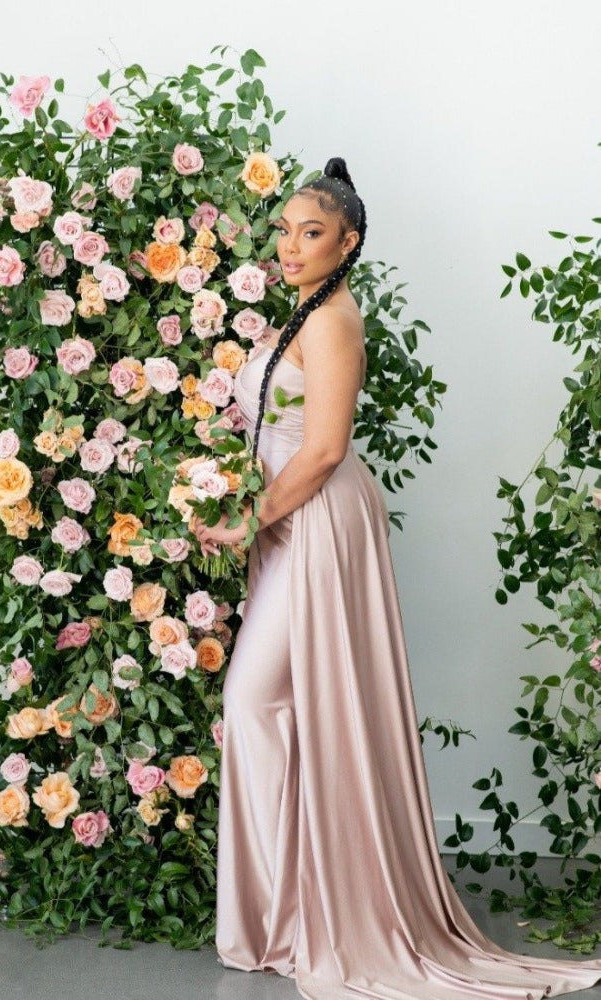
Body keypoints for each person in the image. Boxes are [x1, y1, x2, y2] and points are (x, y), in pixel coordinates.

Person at [192, 158, 601, 999]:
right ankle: (292, 908)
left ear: (348, 244)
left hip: (316, 517)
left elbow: (324, 449)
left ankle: (307, 912)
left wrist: (248, 517)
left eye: (312, 233)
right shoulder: (303, 311)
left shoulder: (332, 320)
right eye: (284, 231)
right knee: (271, 706)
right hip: (287, 514)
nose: (291, 246)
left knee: (258, 701)